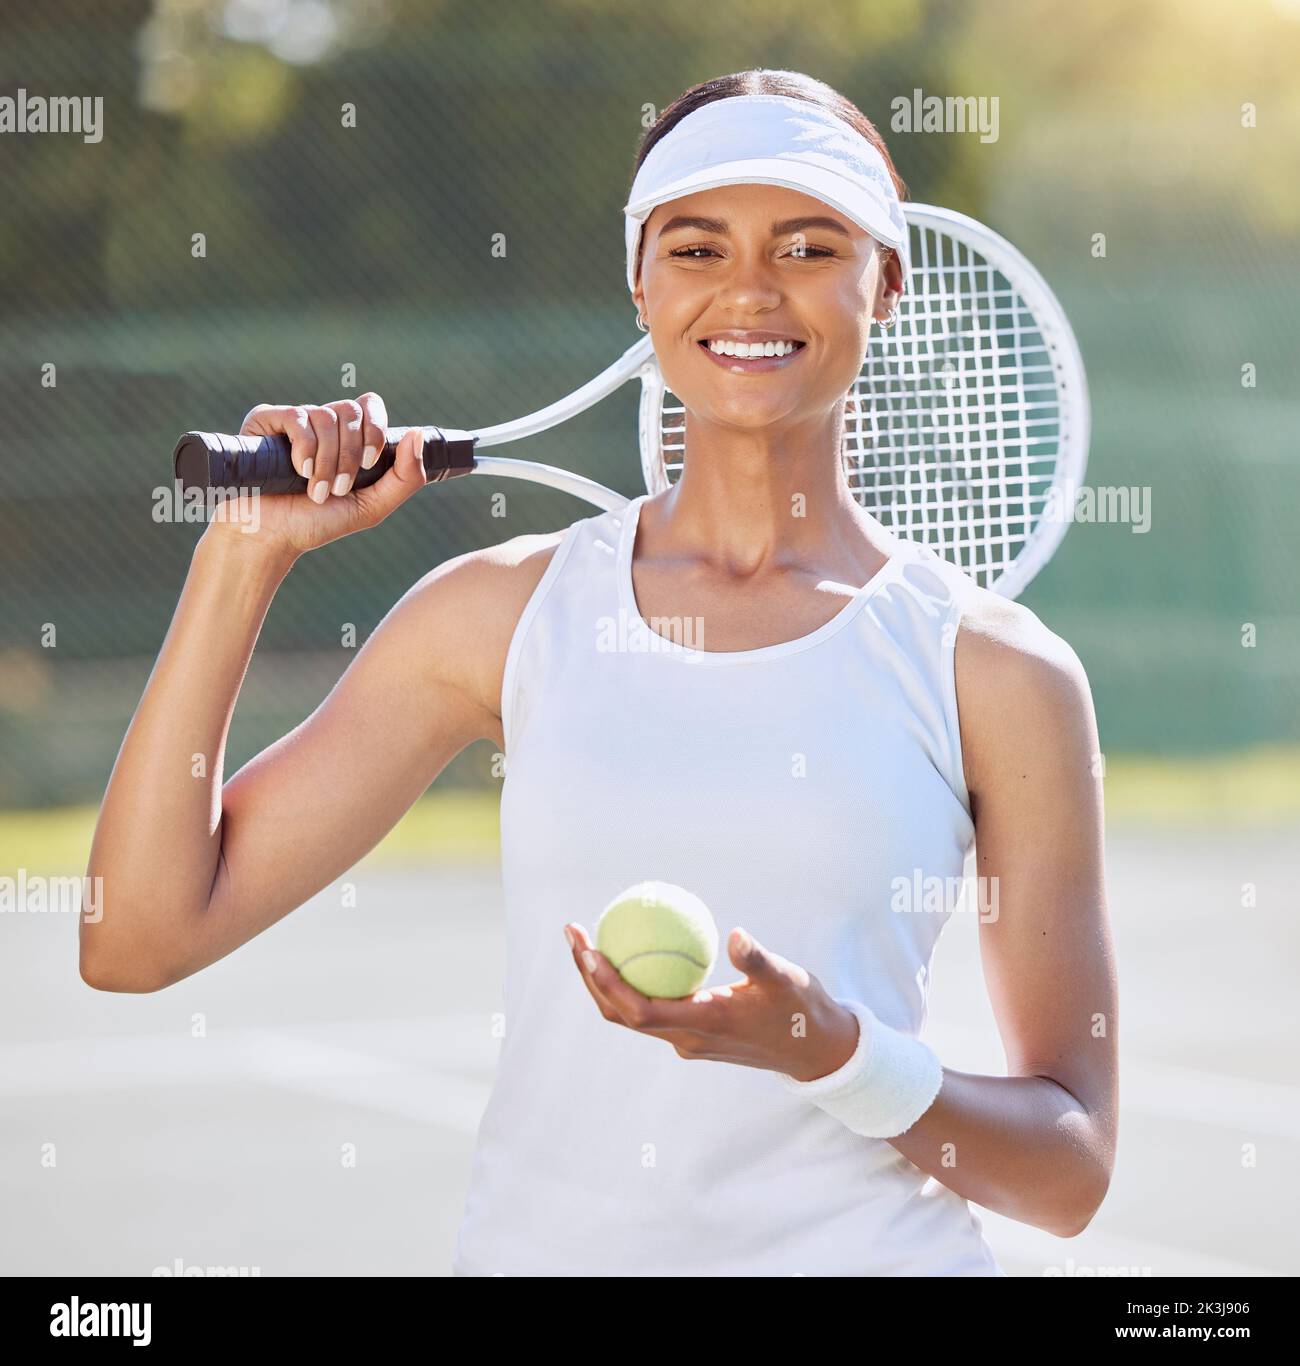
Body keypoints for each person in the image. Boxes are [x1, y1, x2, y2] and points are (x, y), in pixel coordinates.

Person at [83, 68, 1117, 1276]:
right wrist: (243, 559)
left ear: (884, 283)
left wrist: (838, 1055)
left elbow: (1070, 1168)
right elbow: (135, 939)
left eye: (807, 243)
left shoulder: (996, 673)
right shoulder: (499, 614)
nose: (748, 288)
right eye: (694, 247)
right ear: (640, 284)